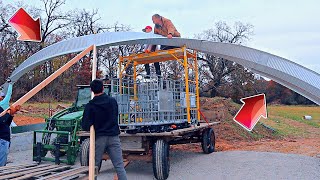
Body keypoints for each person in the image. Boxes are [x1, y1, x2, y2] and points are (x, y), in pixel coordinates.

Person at [81, 79, 127, 180]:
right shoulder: (112, 101)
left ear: (91, 91)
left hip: (99, 138)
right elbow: (115, 115)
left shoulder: (90, 106)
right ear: (103, 88)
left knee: (95, 166)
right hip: (114, 137)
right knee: (119, 166)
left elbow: (85, 125)